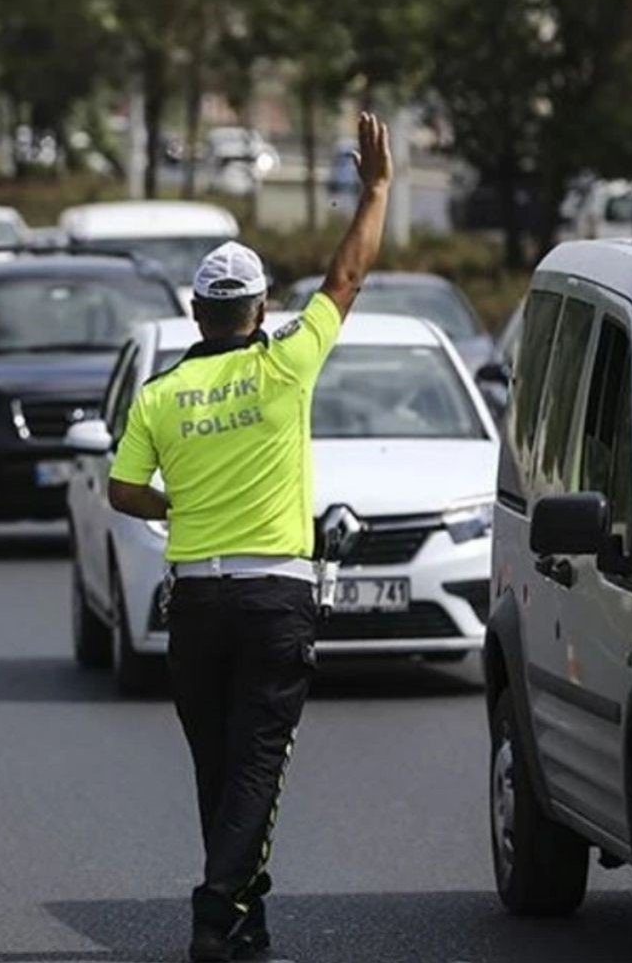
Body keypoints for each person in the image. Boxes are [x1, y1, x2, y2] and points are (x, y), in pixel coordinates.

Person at [107, 112, 393, 962]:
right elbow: (346, 276)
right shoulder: (285, 365)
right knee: (258, 766)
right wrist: (375, 188)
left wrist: (176, 506)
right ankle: (214, 909)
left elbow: (123, 490)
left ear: (197, 312)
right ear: (261, 308)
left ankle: (243, 919)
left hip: (194, 599)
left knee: (219, 766)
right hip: (276, 599)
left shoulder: (161, 394)